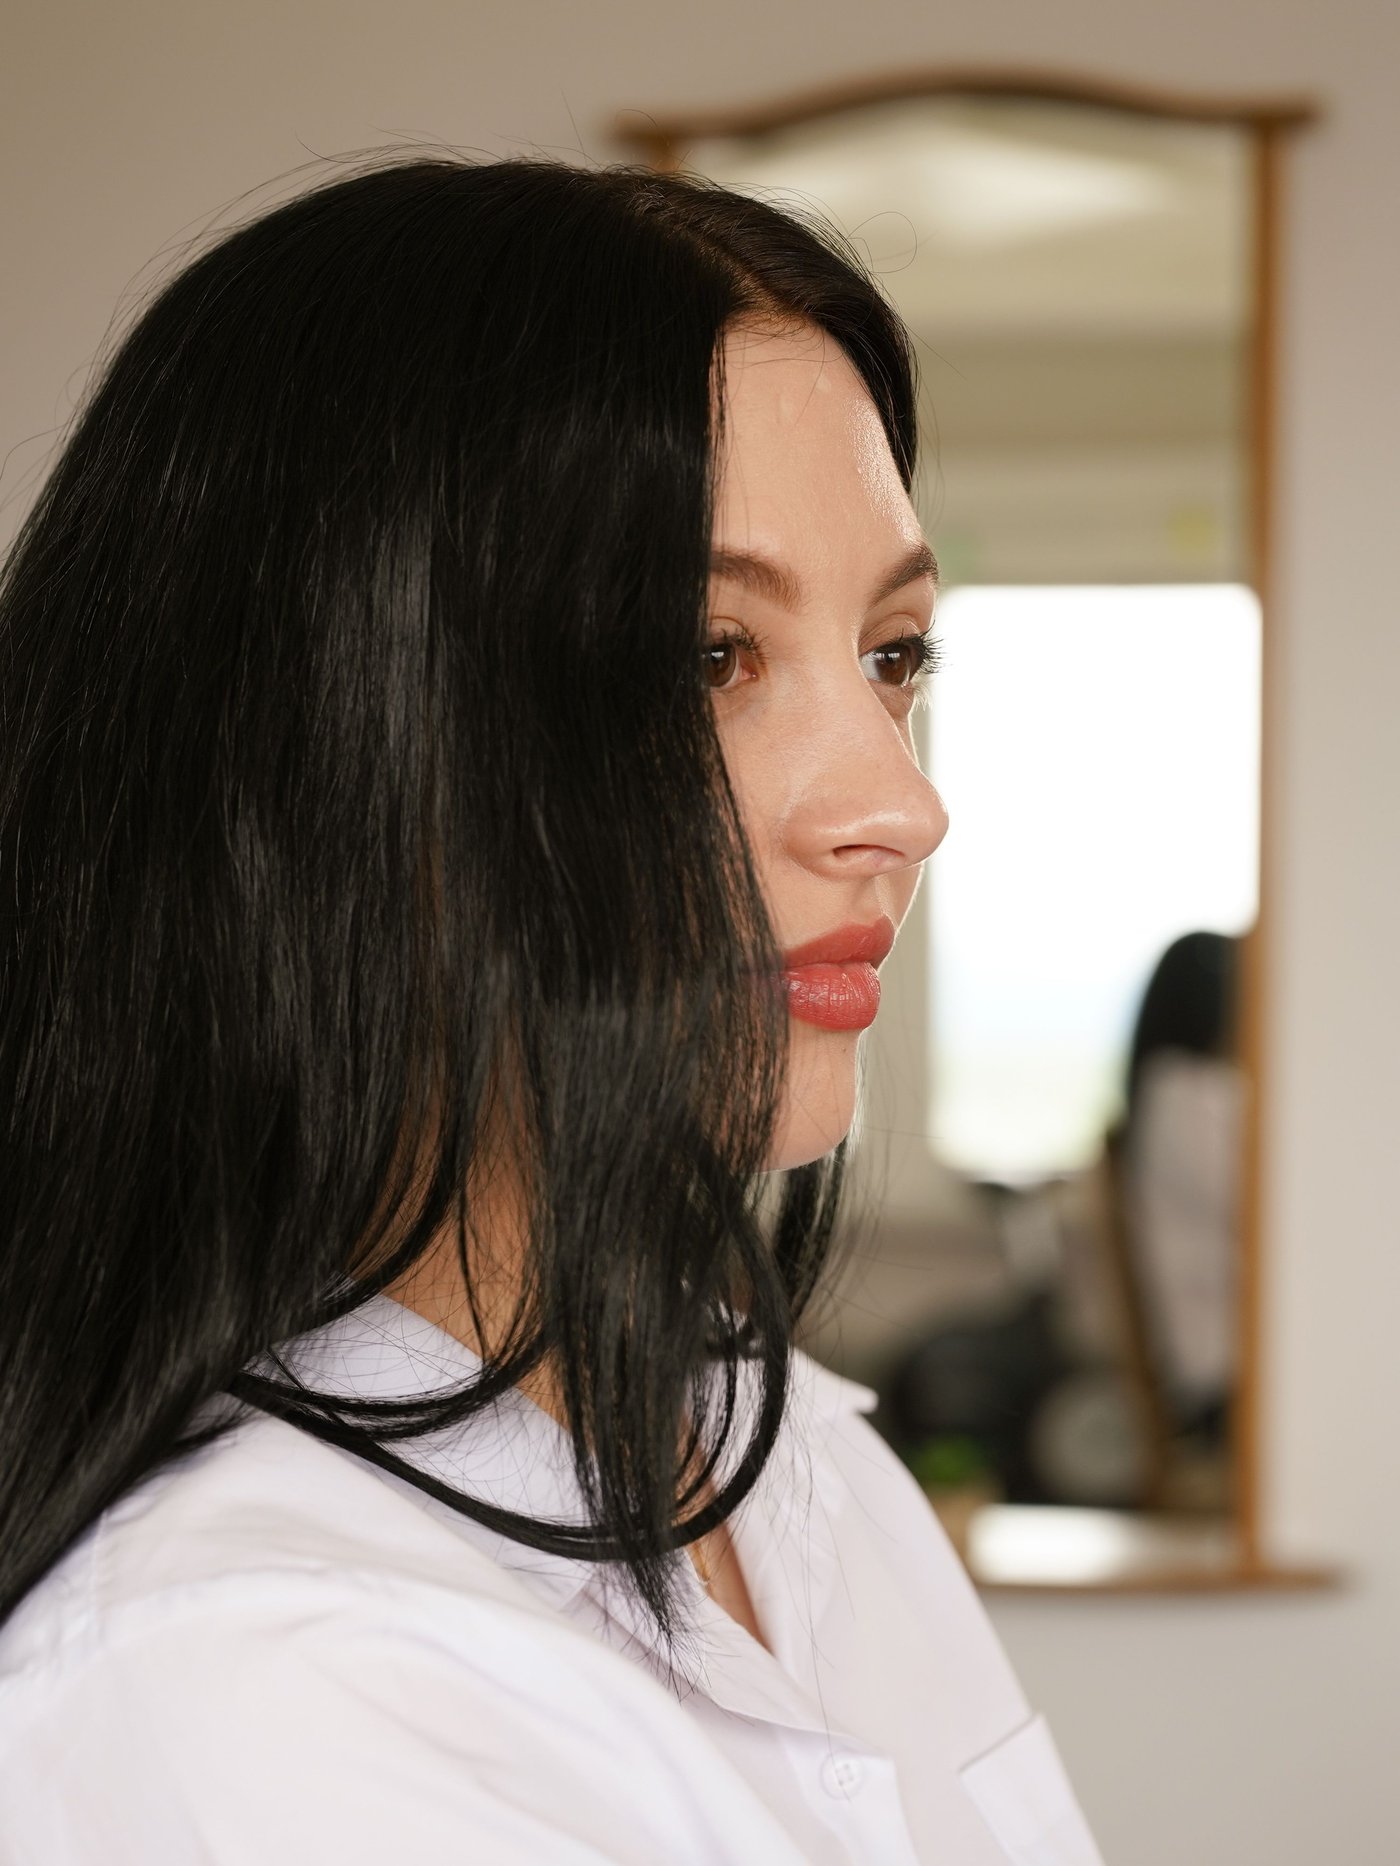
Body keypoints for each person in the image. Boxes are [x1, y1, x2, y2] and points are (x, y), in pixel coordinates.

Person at [0, 155, 1103, 1864]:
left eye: (894, 654)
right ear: (340, 735)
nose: (895, 801)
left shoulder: (801, 1468)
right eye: (705, 656)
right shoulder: (250, 1688)